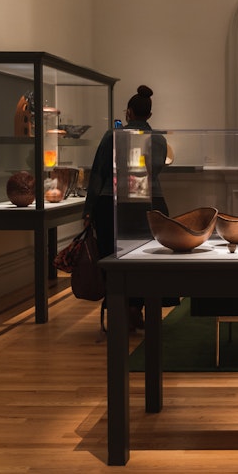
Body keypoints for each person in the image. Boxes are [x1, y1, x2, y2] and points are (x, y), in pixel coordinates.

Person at [84, 85, 172, 331]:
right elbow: (153, 171)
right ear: (149, 116)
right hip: (149, 202)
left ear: (129, 112)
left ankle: (119, 309)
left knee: (114, 257)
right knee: (145, 259)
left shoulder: (111, 135)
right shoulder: (159, 139)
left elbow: (98, 174)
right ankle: (137, 307)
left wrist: (88, 210)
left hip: (110, 202)